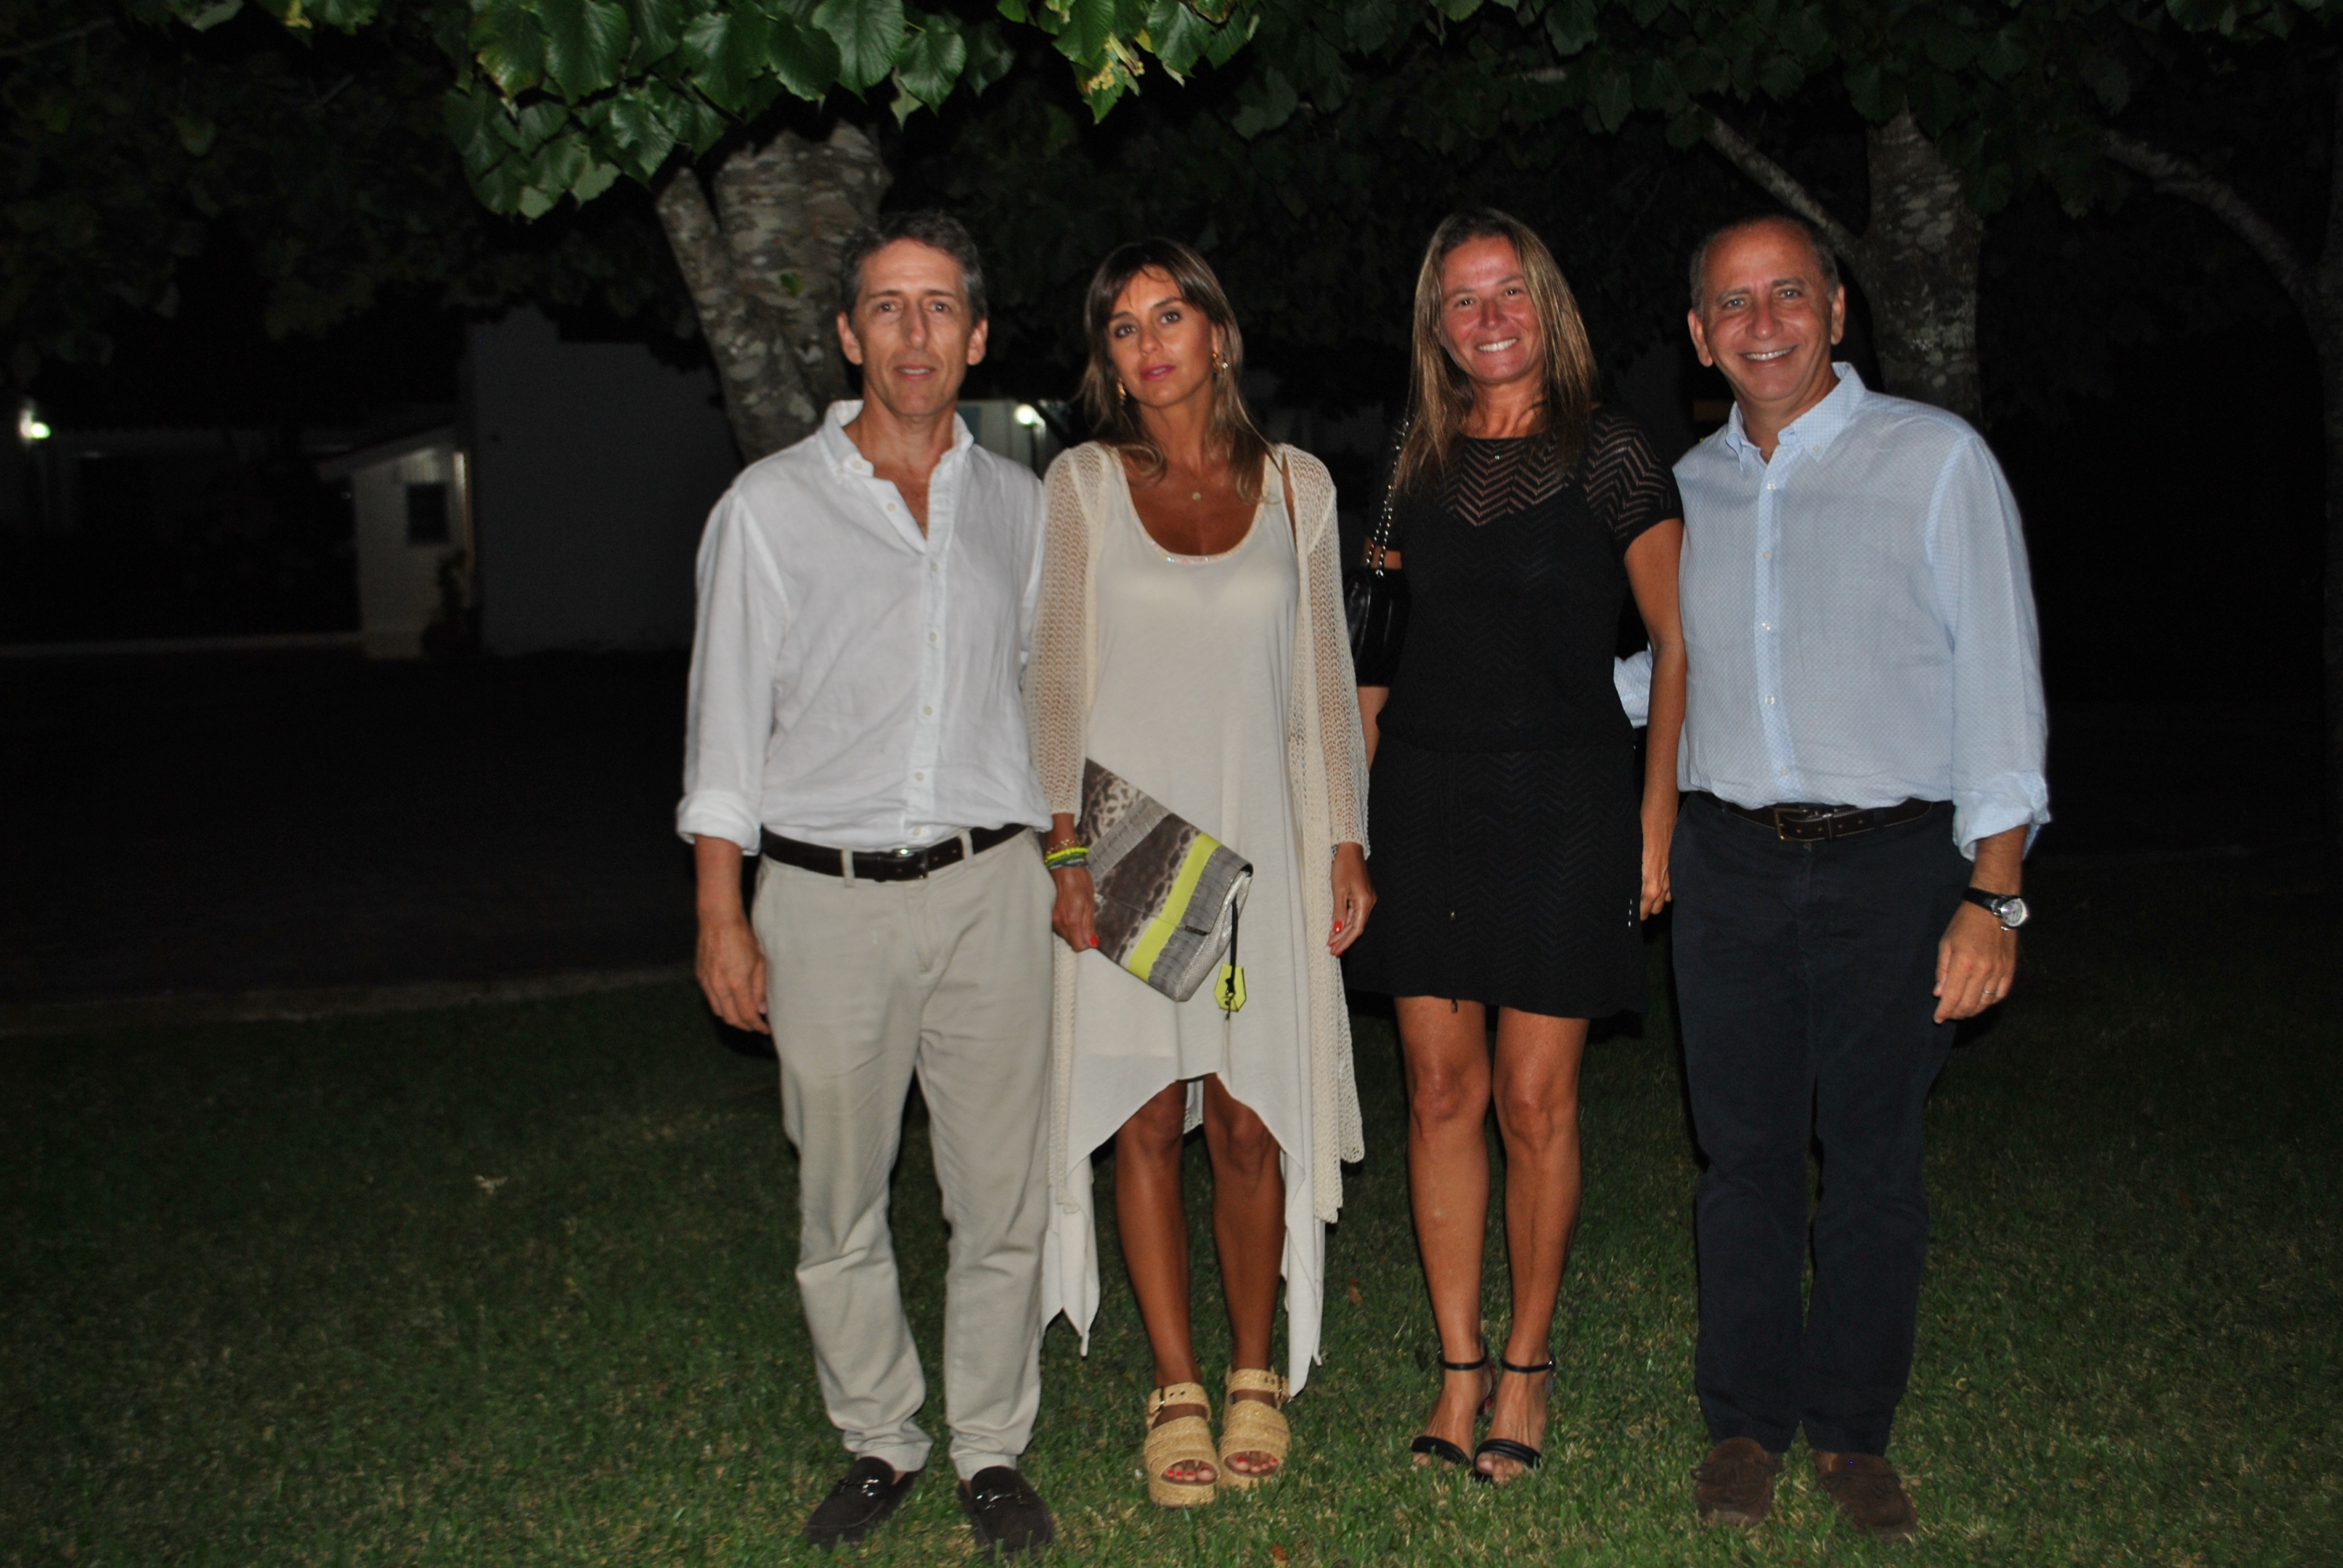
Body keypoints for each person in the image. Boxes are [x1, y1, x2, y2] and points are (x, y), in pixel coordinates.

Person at [677, 211, 1058, 1557]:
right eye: (887, 307)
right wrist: (723, 909)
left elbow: (1045, 708)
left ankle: (993, 1446)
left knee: (999, 1194)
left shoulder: (1023, 506)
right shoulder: (770, 509)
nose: (914, 332)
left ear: (978, 335)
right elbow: (725, 729)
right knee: (839, 1196)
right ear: (848, 336)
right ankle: (882, 1438)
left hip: (993, 890)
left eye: (939, 305)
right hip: (823, 899)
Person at [1673, 213, 2048, 1542]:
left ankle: (1851, 1435)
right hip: (1723, 862)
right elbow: (1660, 679)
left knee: (1876, 1159)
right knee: (1745, 1158)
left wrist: (1993, 892)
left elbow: (2000, 675)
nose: (1762, 320)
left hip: (1896, 865)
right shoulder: (1688, 490)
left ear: (1837, 309)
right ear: (1700, 332)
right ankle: (1744, 1427)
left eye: (1788, 293)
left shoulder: (1935, 463)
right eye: (1733, 301)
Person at [1344, 209, 1687, 1485]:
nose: (1488, 320)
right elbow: (1373, 649)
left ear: (1548, 305)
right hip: (1424, 799)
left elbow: (1675, 645)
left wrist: (1656, 823)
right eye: (1462, 300)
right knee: (1440, 1092)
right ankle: (1455, 1360)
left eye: (1509, 295)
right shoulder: (1411, 459)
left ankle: (1528, 1367)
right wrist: (1352, 826)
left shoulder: (1611, 454)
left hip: (1568, 803)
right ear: (1436, 324)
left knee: (1538, 1099)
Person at [1028, 238, 1373, 1507]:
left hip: (1260, 848)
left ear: (1218, 334)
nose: (1149, 342)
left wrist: (1344, 840)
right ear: (1107, 359)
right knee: (1138, 1118)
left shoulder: (1299, 490)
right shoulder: (1083, 485)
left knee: (1243, 1117)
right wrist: (1065, 851)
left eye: (1170, 315)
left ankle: (1250, 1373)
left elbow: (1325, 685)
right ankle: (1172, 1383)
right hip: (1125, 840)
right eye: (1123, 326)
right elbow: (1054, 677)